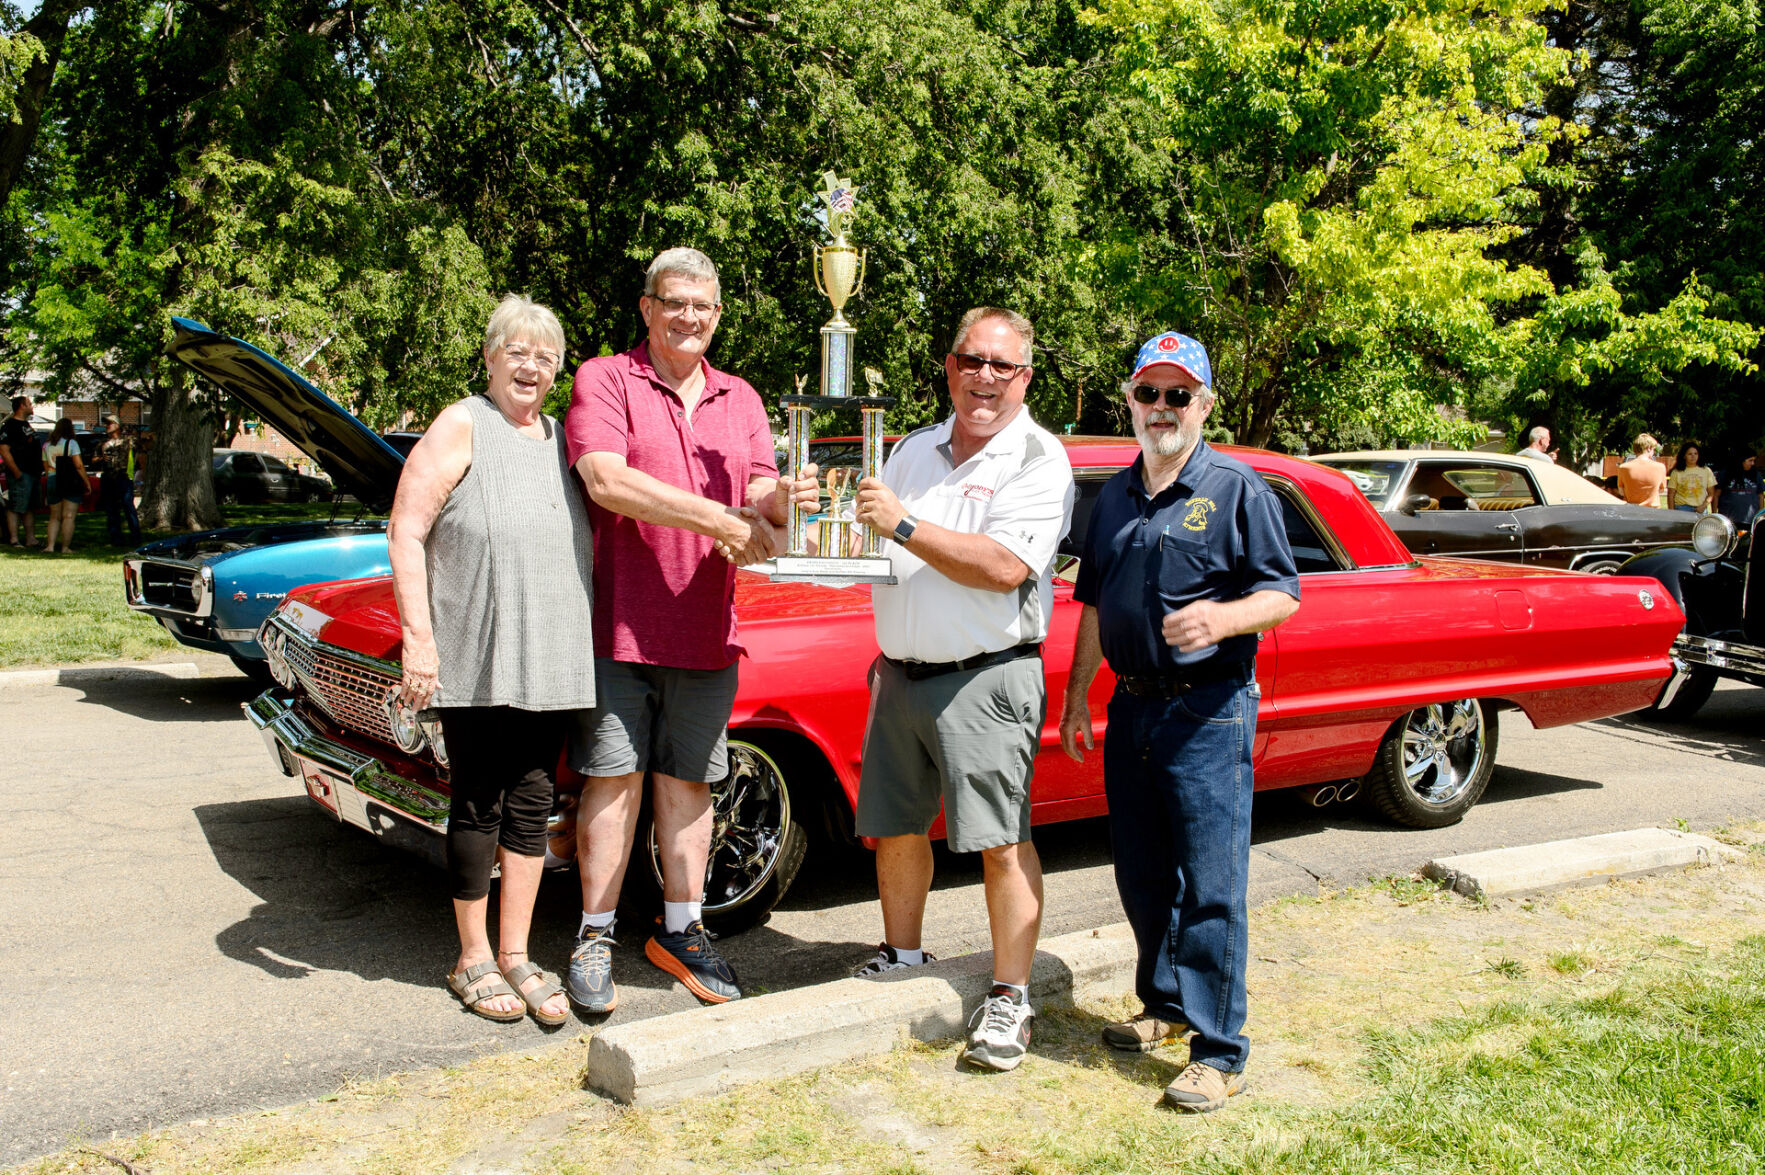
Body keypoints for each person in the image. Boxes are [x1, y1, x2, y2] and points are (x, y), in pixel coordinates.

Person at [563, 247, 819, 1012]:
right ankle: (596, 933)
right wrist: (722, 519)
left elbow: (760, 487)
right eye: (673, 303)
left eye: (702, 307)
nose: (689, 318)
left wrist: (785, 499)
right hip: (619, 627)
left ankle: (682, 928)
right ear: (646, 308)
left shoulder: (740, 397)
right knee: (612, 784)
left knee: (692, 785)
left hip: (707, 629)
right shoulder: (605, 378)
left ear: (717, 315)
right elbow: (605, 478)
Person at [1058, 330, 1300, 1113]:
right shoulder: (1117, 493)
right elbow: (1092, 601)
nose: (1160, 408)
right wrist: (1075, 698)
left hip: (1208, 708)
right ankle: (1162, 1006)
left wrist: (1222, 621)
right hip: (1129, 704)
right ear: (1128, 399)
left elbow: (1283, 594)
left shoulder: (1235, 489)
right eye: (1147, 393)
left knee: (1210, 883)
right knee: (1140, 872)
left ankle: (1219, 1049)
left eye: (1177, 394)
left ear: (1204, 404)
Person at [841, 307, 1075, 1074]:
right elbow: (857, 536)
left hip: (985, 675)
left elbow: (1005, 565)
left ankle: (1008, 997)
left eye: (1001, 366)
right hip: (901, 672)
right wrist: (806, 504)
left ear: (1024, 377)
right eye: (970, 360)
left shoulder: (1037, 458)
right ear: (948, 366)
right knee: (897, 826)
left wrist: (903, 524)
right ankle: (902, 956)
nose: (983, 378)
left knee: (1001, 841)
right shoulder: (909, 449)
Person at [387, 294, 595, 1026]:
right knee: (478, 799)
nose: (530, 366)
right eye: (517, 350)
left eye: (544, 355)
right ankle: (470, 956)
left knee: (534, 802)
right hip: (476, 649)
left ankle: (516, 952)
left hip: (550, 653)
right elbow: (406, 530)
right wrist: (419, 636)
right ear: (489, 356)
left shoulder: (564, 439)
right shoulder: (461, 422)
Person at [42, 418, 91, 554]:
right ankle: (65, 547)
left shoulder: (47, 445)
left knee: (54, 516)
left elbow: (46, 467)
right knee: (68, 516)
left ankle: (50, 546)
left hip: (52, 479)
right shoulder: (72, 443)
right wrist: (87, 482)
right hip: (69, 480)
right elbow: (78, 465)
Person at [2, 395, 43, 548]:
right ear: (21, 406)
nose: (32, 406)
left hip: (33, 473)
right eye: (29, 403)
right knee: (16, 506)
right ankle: (14, 539)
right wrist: (16, 471)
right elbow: (4, 450)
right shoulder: (10, 426)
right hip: (20, 473)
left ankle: (30, 539)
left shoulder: (27, 425)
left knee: (30, 507)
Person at [99, 417, 143, 545]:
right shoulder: (103, 442)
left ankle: (135, 538)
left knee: (128, 506)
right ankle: (116, 539)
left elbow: (143, 449)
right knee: (111, 509)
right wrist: (102, 457)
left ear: (117, 425)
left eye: (110, 423)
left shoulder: (128, 440)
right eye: (106, 423)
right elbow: (94, 459)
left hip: (123, 477)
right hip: (108, 478)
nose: (107, 425)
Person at [1715, 451, 1764, 528]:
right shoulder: (1725, 474)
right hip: (1728, 520)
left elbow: (1760, 496)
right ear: (1741, 460)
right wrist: (1715, 515)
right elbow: (1716, 495)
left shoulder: (1756, 475)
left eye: (1754, 460)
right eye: (1750, 460)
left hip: (1750, 520)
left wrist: (1760, 515)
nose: (1753, 463)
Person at [1617, 434, 1667, 507]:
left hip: (1631, 509)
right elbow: (1661, 490)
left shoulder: (1623, 467)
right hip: (1653, 511)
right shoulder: (1660, 467)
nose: (1653, 452)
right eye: (1653, 449)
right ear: (1649, 448)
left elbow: (1621, 492)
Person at [1667, 441, 1715, 513]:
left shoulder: (1706, 470)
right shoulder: (1676, 472)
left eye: (1696, 453)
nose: (1693, 456)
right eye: (1690, 454)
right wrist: (1671, 513)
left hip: (1700, 509)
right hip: (1682, 508)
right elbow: (1671, 494)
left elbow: (1711, 493)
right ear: (1684, 456)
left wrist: (1704, 506)